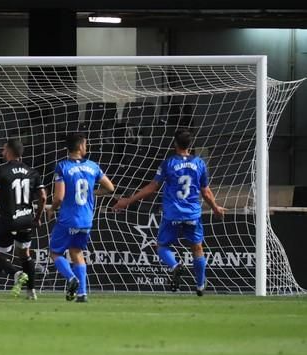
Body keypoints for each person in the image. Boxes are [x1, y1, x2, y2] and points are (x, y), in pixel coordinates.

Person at [113, 128, 225, 295]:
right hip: (192, 213)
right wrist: (215, 207)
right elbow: (206, 192)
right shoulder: (199, 163)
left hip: (173, 212)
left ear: (175, 143)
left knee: (162, 245)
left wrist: (128, 201)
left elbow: (152, 187)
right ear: (190, 144)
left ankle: (175, 266)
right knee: (197, 248)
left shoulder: (169, 163)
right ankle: (200, 285)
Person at [48, 134, 115, 302]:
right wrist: (93, 193)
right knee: (77, 252)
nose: (87, 147)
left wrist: (52, 209)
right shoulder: (93, 166)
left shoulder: (62, 166)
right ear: (79, 147)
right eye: (85, 144)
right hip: (86, 219)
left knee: (55, 253)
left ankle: (71, 278)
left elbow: (59, 197)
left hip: (68, 218)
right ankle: (82, 293)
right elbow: (110, 188)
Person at [0, 139, 46, 300]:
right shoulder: (32, 172)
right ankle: (31, 292)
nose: (2, 153)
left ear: (8, 151)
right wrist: (37, 218)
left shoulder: (1, 170)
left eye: (3, 150)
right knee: (25, 254)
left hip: (8, 220)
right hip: (26, 220)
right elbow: (43, 197)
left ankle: (16, 273)